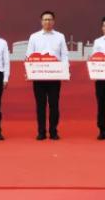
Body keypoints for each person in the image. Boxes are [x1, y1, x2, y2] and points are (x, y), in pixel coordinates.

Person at [26, 10, 69, 140]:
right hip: (39, 76)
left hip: (54, 76)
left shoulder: (60, 36)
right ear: (41, 21)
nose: (47, 22)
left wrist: (65, 71)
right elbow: (29, 55)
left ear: (53, 21)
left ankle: (53, 131)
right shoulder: (34, 37)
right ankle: (41, 132)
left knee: (54, 105)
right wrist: (28, 72)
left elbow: (64, 55)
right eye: (45, 19)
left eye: (50, 19)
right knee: (40, 105)